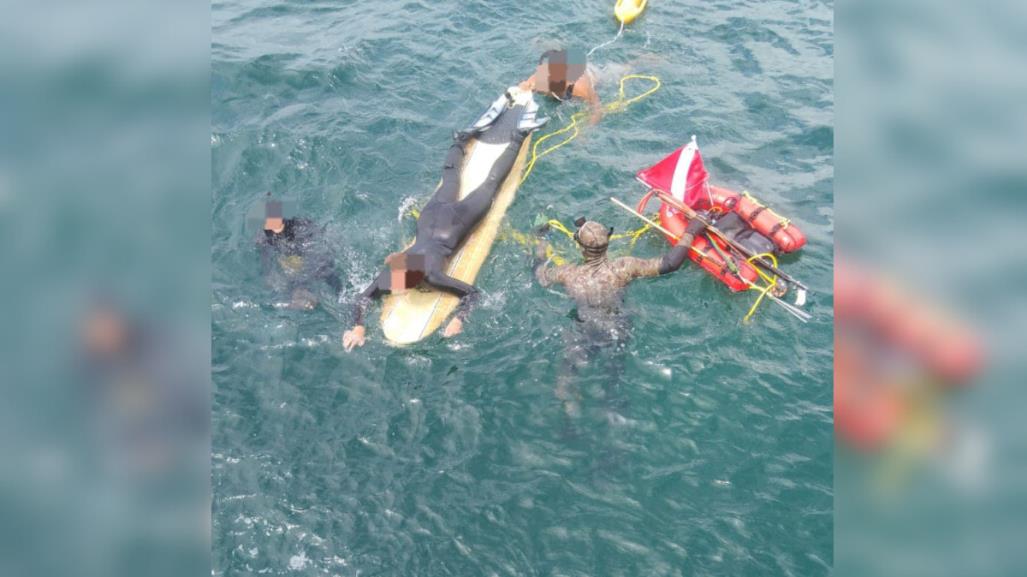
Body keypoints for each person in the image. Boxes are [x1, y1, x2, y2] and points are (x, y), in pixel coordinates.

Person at [342, 93, 548, 351]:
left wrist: (459, 319)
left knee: (491, 184)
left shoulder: (432, 277)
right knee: (451, 178)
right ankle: (461, 140)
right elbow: (363, 298)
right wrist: (359, 326)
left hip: (456, 222)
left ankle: (519, 135)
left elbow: (473, 295)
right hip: (430, 216)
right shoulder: (393, 275)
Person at [533, 216, 707, 416]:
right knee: (613, 376)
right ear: (609, 241)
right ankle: (612, 408)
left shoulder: (569, 275)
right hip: (617, 329)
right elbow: (670, 263)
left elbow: (540, 276)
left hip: (585, 331)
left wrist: (541, 240)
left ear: (580, 247)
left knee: (567, 376)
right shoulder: (623, 267)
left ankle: (569, 416)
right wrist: (692, 231)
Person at [259, 199, 342, 310]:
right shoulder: (266, 235)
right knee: (289, 282)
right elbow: (265, 251)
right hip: (292, 258)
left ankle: (343, 296)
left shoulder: (300, 227)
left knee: (325, 271)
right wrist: (269, 273)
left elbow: (315, 249)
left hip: (313, 253)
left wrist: (305, 277)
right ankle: (305, 295)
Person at [519, 48, 602, 125]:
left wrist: (586, 128)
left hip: (593, 75)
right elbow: (525, 85)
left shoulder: (581, 88)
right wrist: (524, 87)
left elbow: (597, 109)